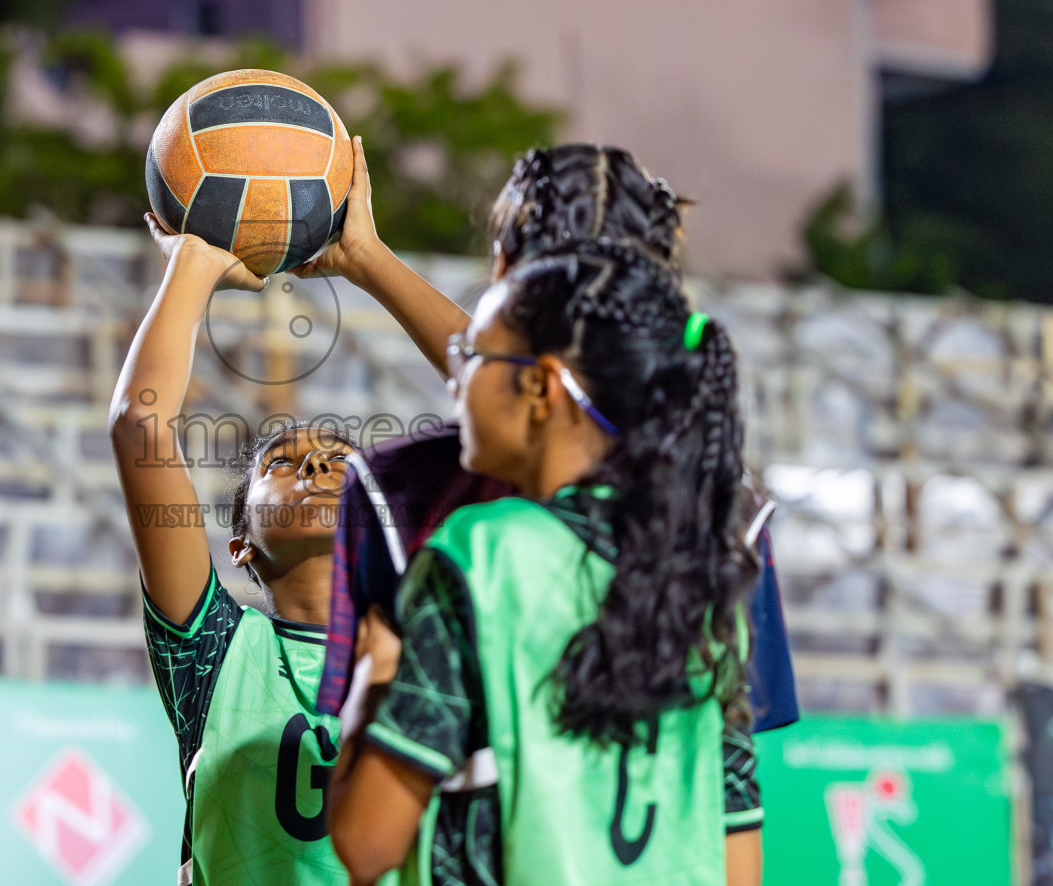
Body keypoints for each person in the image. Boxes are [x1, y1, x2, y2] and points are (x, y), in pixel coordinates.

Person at [299, 143, 788, 881]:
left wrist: (377, 681)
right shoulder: (712, 554)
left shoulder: (467, 548)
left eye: (479, 352)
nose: (463, 374)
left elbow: (363, 843)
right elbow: (737, 853)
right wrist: (370, 260)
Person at [107, 215, 360, 886]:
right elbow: (140, 424)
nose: (315, 471)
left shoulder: (427, 647)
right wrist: (192, 260)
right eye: (285, 462)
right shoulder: (214, 647)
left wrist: (370, 263)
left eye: (340, 464)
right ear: (241, 544)